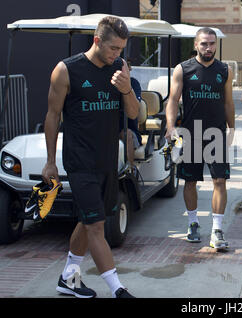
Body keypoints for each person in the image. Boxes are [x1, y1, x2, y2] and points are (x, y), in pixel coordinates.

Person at [42, 16, 139, 298]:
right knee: (96, 225)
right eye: (113, 48)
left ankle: (68, 277)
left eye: (121, 48)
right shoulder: (66, 70)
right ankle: (117, 289)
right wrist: (50, 161)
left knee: (88, 219)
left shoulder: (120, 68)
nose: (117, 54)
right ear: (97, 41)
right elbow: (52, 115)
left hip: (108, 159)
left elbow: (133, 114)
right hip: (79, 160)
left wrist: (127, 88)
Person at [165, 28, 235, 249]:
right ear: (195, 44)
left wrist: (232, 127)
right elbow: (173, 100)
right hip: (191, 134)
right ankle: (193, 223)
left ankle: (217, 230)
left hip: (216, 134)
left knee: (220, 181)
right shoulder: (183, 69)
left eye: (212, 44)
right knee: (191, 181)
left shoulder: (224, 70)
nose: (208, 48)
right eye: (204, 44)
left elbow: (228, 102)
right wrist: (170, 126)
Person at [119, 60, 143, 168]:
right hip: (106, 129)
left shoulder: (133, 83)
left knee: (126, 133)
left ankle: (129, 173)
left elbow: (133, 110)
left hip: (127, 129)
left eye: (126, 65)